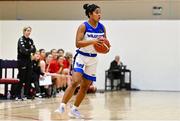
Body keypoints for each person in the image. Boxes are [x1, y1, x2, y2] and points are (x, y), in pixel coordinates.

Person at [55, 3, 107, 118]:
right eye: (97, 12)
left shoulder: (102, 27)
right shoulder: (83, 26)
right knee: (75, 81)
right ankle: (62, 105)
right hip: (82, 56)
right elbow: (78, 43)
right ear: (90, 14)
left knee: (85, 87)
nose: (99, 14)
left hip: (93, 59)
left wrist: (105, 49)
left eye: (100, 12)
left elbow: (104, 44)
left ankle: (74, 109)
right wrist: (93, 42)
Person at [15, 26, 36, 100]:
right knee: (22, 78)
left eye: (30, 31)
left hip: (28, 61)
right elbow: (23, 50)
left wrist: (29, 50)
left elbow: (34, 50)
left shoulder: (31, 40)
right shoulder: (21, 40)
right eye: (27, 30)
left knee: (28, 78)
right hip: (22, 61)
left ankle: (26, 94)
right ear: (24, 31)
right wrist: (30, 50)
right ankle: (17, 95)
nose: (29, 32)